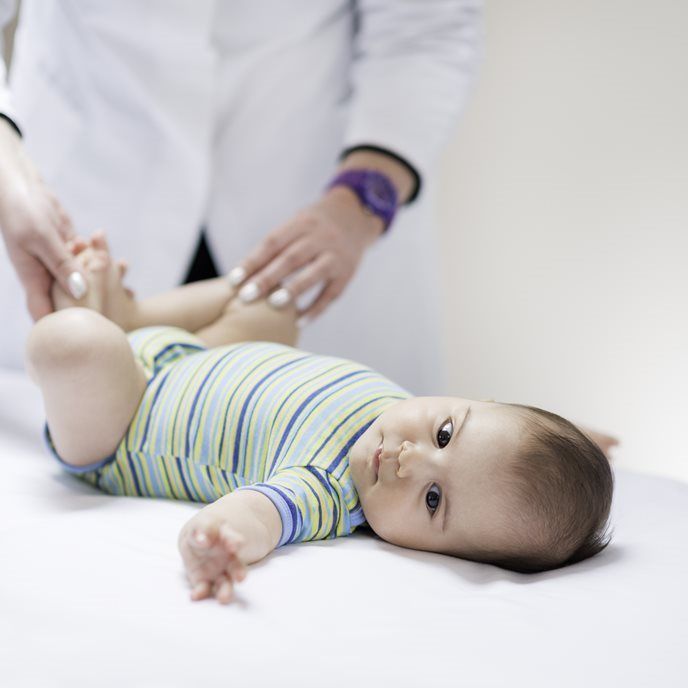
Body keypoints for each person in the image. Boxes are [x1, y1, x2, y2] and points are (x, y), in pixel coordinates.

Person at [26, 233, 614, 604]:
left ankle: (106, 325)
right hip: (193, 356)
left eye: (434, 501)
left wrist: (219, 541)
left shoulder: (326, 491)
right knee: (272, 303)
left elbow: (257, 515)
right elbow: (501, 449)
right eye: (443, 435)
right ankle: (133, 316)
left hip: (125, 421)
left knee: (70, 343)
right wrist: (568, 438)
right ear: (473, 400)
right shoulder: (409, 409)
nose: (412, 461)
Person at [0, 1, 482, 395]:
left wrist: (363, 197)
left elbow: (426, 29)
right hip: (79, 169)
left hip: (318, 197)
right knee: (79, 410)